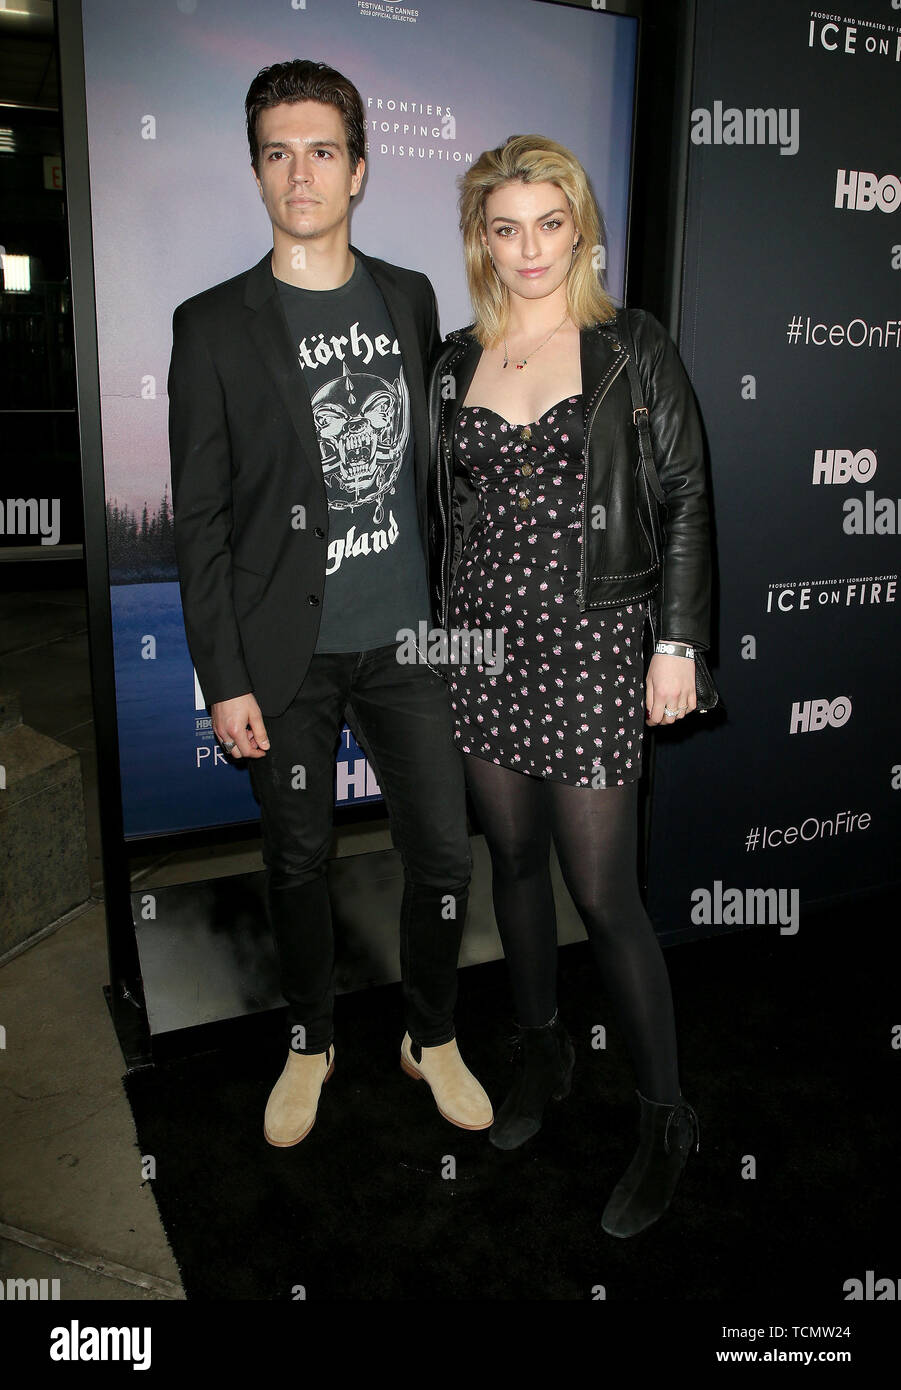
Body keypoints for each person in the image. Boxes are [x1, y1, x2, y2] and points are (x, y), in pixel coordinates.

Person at [168, 60, 492, 1148]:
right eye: (275, 151)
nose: (297, 174)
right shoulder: (210, 325)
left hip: (408, 641)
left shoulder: (408, 295)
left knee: (445, 855)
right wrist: (225, 677)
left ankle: (430, 1032)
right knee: (298, 858)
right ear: (256, 170)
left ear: (358, 169)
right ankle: (310, 1038)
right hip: (285, 655)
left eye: (320, 151)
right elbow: (200, 518)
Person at [427, 134, 717, 1237]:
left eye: (549, 222)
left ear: (581, 228)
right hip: (479, 646)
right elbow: (436, 516)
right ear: (482, 241)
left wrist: (677, 642)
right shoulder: (456, 361)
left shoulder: (630, 347)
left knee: (603, 897)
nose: (529, 247)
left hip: (596, 648)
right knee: (509, 860)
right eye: (505, 227)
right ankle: (540, 1055)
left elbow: (685, 493)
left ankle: (663, 1117)